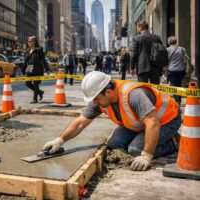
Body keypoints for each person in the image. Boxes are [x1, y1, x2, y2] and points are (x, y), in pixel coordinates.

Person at [43, 71, 181, 171]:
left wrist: (146, 156)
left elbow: (153, 123)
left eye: (96, 99)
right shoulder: (101, 99)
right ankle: (144, 139)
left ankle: (173, 143)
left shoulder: (133, 95)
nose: (95, 103)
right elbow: (80, 122)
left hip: (166, 120)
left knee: (136, 149)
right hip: (140, 124)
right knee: (114, 143)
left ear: (108, 92)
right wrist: (60, 140)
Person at [23, 36, 50, 104]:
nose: (28, 42)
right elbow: (25, 62)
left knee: (35, 84)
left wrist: (47, 69)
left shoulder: (39, 50)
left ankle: (35, 99)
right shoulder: (27, 51)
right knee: (28, 83)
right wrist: (23, 70)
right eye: (28, 41)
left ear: (34, 42)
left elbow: (43, 60)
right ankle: (40, 92)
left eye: (30, 41)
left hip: (37, 69)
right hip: (29, 69)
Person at [166, 36, 187, 105]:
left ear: (169, 42)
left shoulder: (168, 50)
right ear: (176, 41)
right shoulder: (182, 49)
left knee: (173, 86)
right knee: (179, 85)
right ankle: (179, 100)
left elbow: (166, 60)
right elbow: (185, 59)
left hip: (171, 70)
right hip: (180, 69)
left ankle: (176, 100)